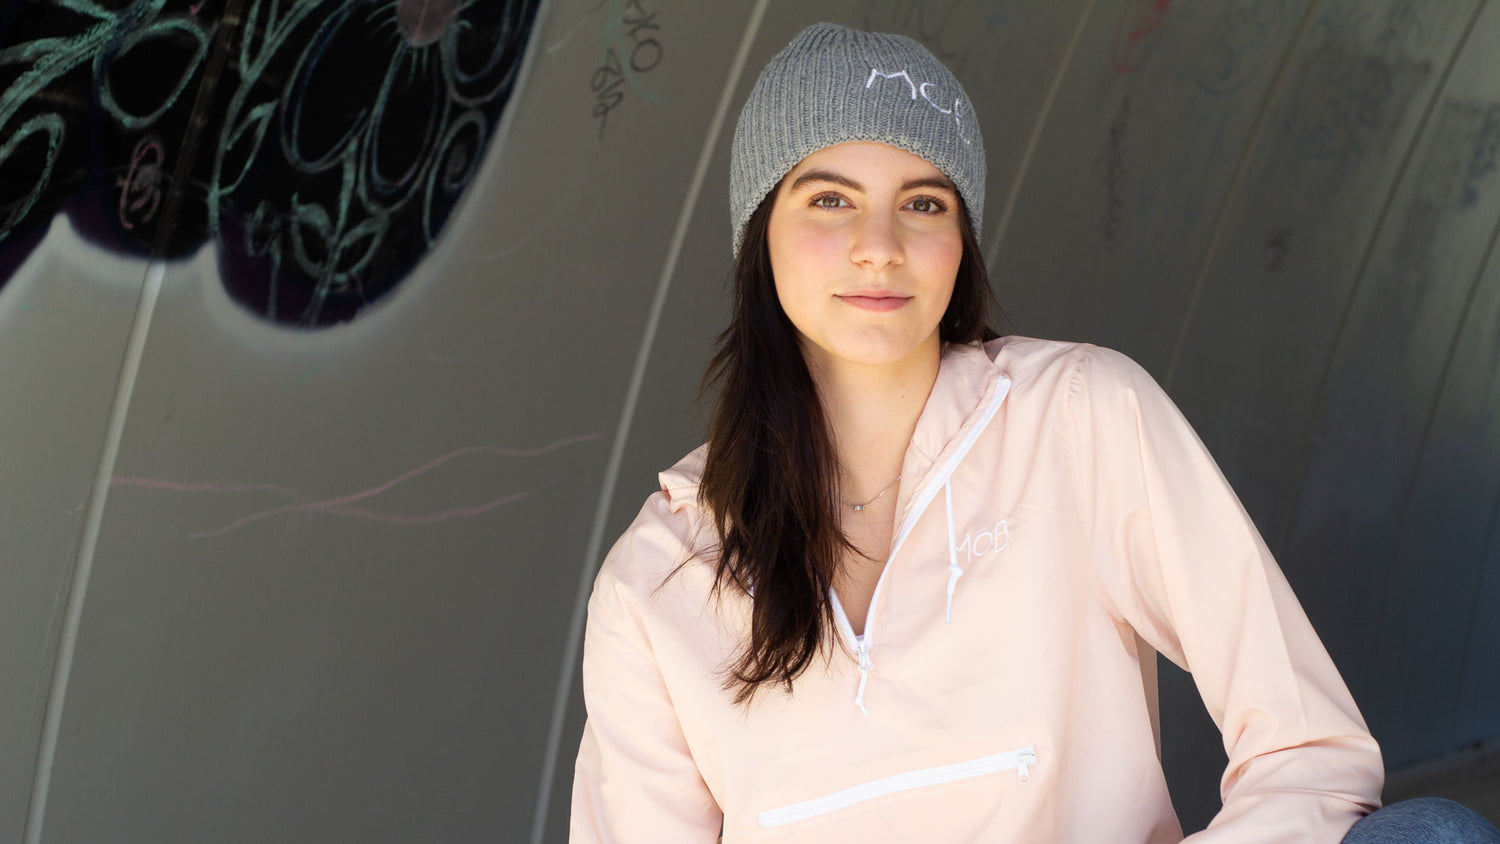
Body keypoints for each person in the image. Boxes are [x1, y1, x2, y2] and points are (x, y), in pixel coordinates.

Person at [570, 22, 1500, 843]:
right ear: (758, 230)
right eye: (830, 198)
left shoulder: (1083, 417)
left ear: (962, 238)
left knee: (1432, 838)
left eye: (924, 202)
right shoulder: (659, 576)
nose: (880, 244)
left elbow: (1312, 750)